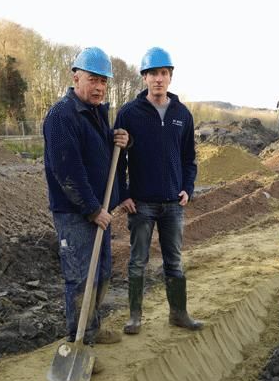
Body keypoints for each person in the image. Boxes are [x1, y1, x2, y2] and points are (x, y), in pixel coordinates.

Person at [43, 47, 129, 345]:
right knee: (81, 277)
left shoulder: (95, 114)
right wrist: (93, 210)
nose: (100, 87)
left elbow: (99, 157)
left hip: (98, 210)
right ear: (76, 77)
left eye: (104, 81)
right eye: (94, 79)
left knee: (102, 272)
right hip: (75, 213)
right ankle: (79, 342)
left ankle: (91, 327)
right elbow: (67, 171)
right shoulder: (62, 116)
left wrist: (117, 139)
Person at [115, 47, 203, 335]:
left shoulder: (182, 115)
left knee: (174, 261)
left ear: (170, 77)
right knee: (137, 261)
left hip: (173, 206)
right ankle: (135, 318)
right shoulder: (129, 114)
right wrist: (122, 194)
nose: (158, 79)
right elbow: (117, 159)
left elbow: (189, 158)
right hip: (141, 204)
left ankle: (178, 313)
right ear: (144, 77)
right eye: (153, 73)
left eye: (163, 73)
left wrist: (187, 188)